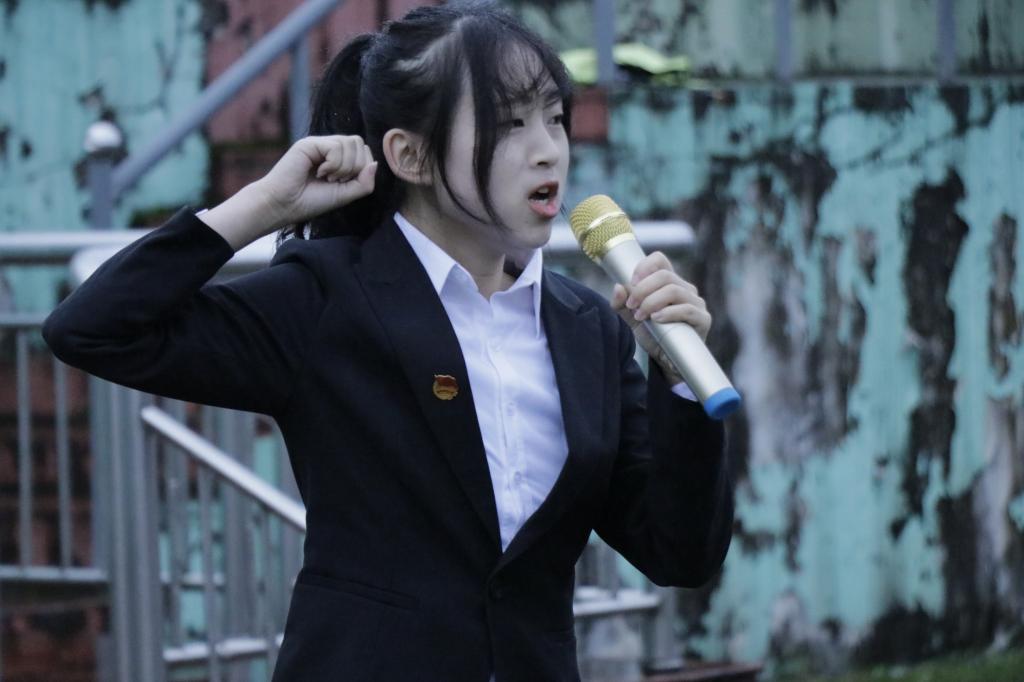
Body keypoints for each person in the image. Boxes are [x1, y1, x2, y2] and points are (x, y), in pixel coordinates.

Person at [42, 2, 733, 680]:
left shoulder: (586, 328)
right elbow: (92, 329)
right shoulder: (327, 298)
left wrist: (678, 378)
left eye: (554, 117)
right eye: (510, 123)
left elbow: (678, 553)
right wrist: (262, 206)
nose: (548, 148)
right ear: (411, 154)